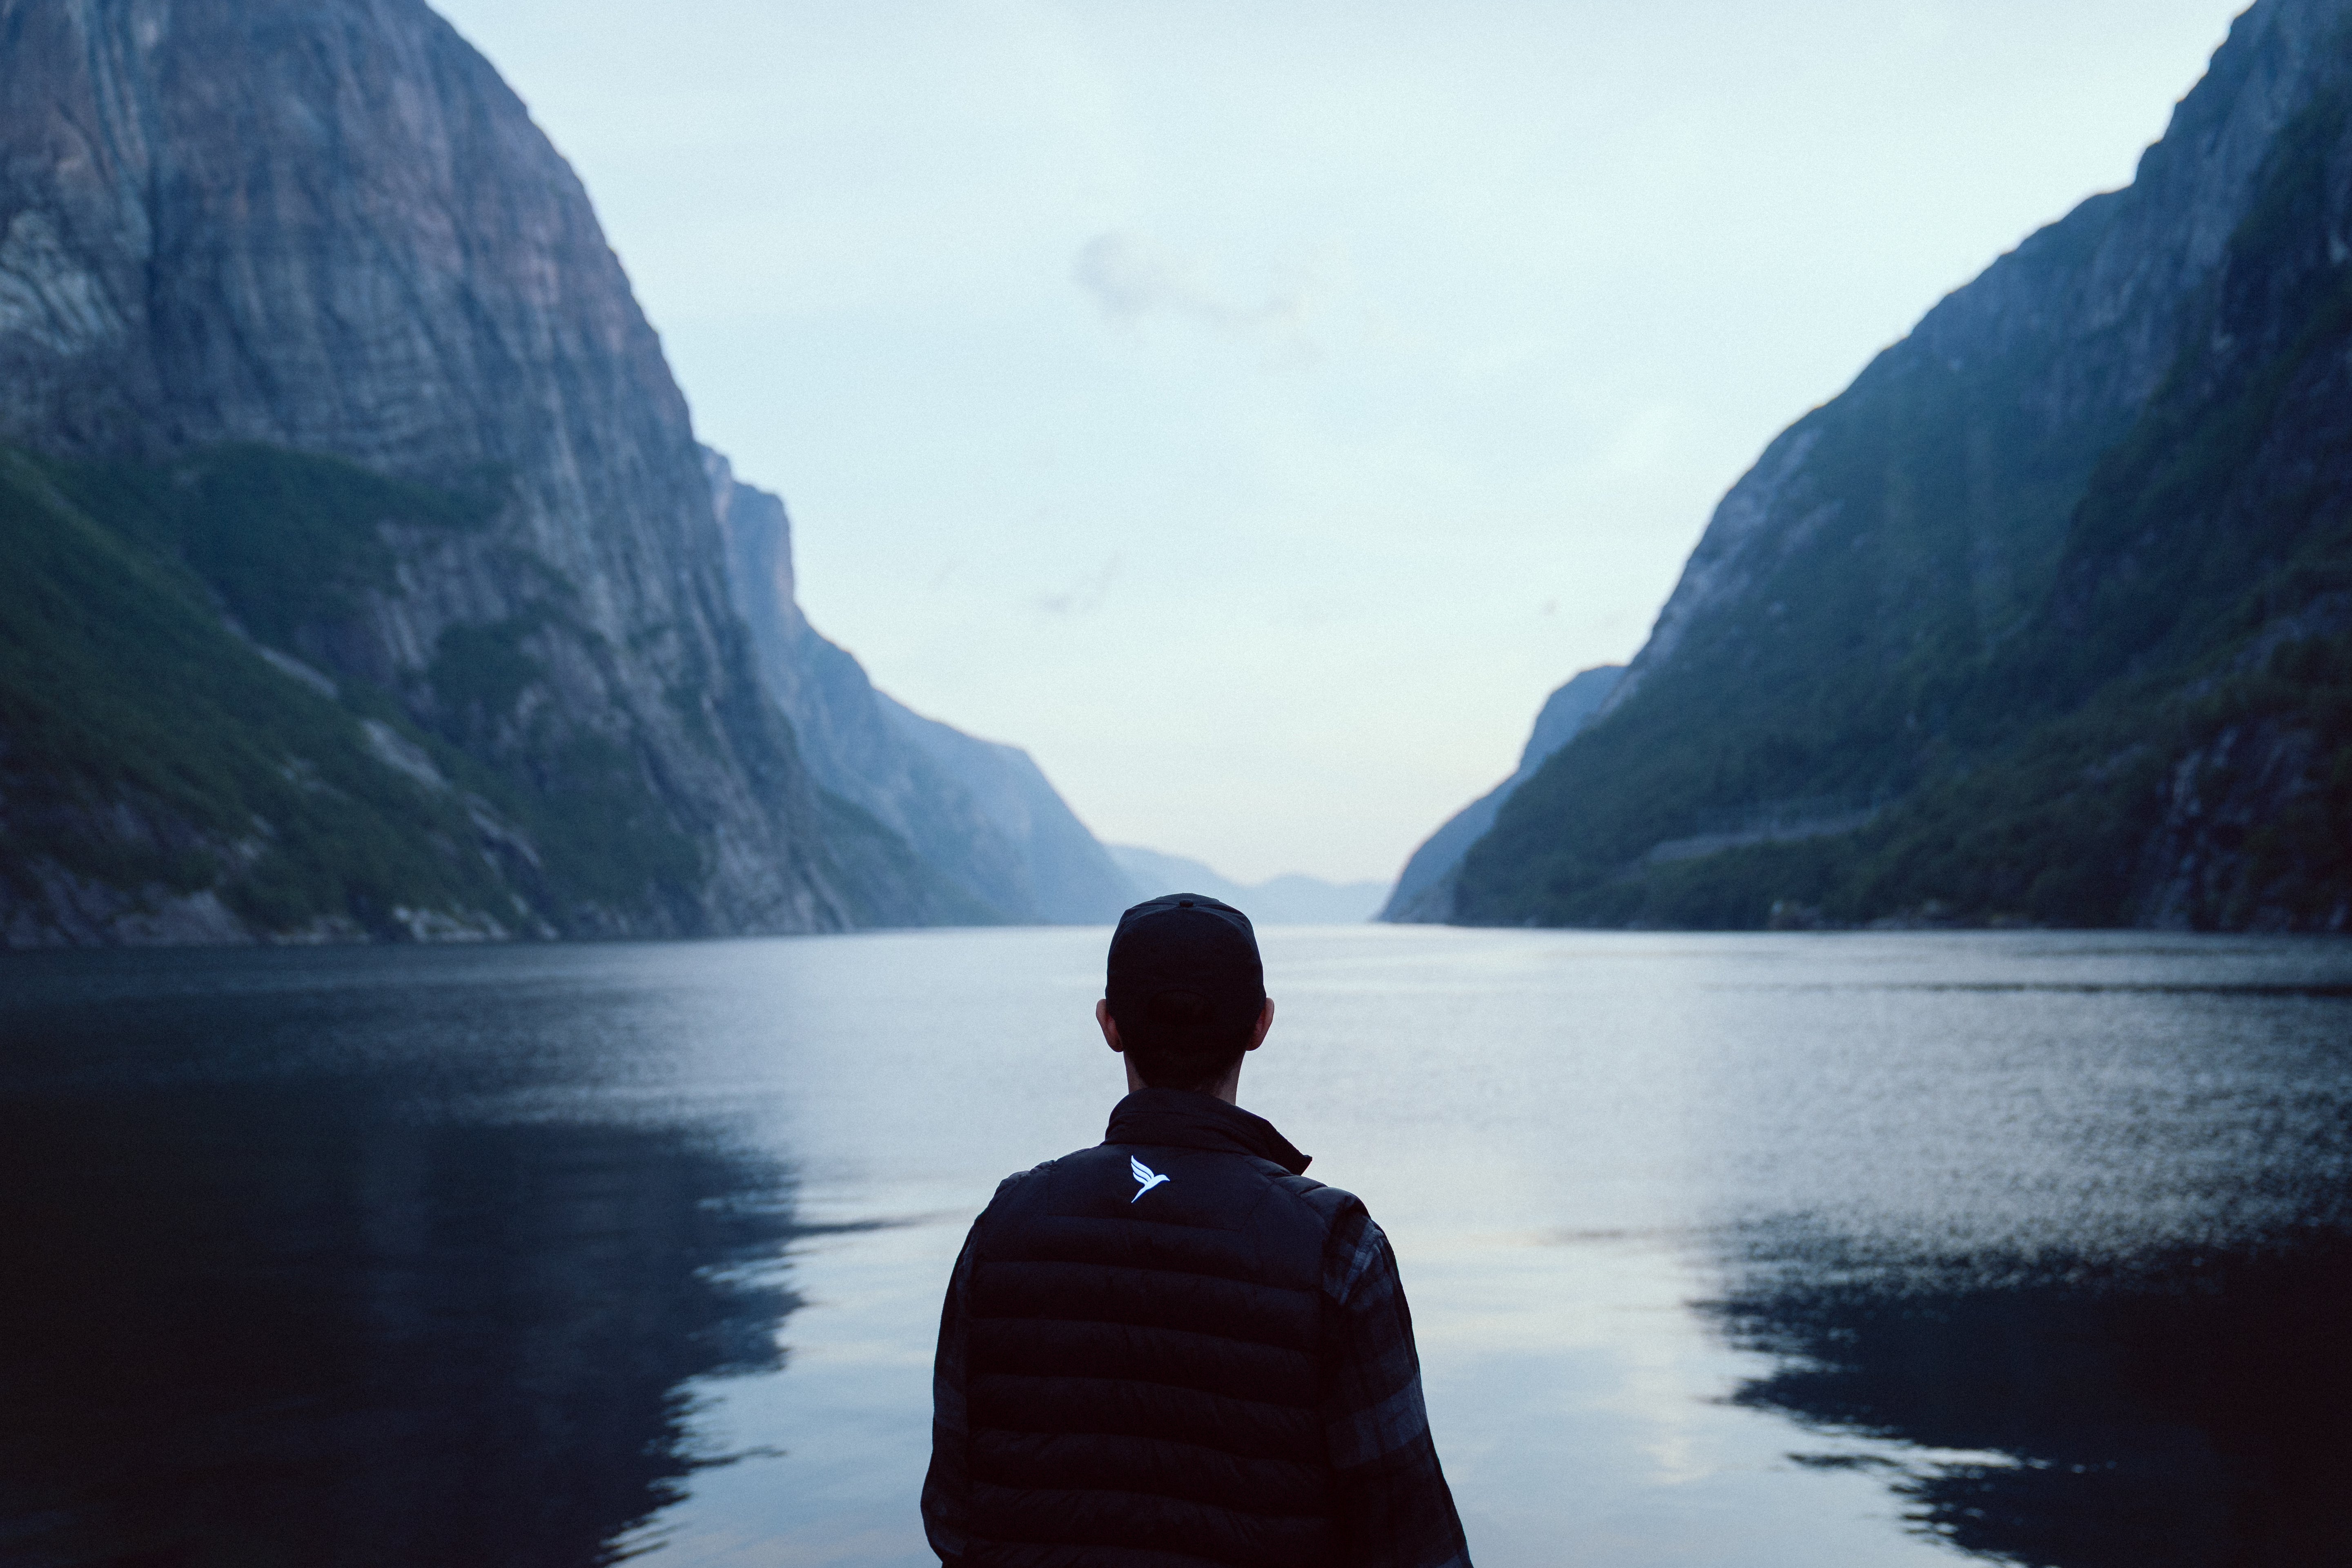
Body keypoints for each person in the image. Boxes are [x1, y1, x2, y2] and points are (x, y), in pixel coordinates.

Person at [921, 893, 1471, 1568]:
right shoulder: (1338, 1249)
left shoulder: (1004, 1228)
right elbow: (1412, 1544)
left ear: (1110, 1025)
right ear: (1261, 1025)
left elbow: (952, 1519)